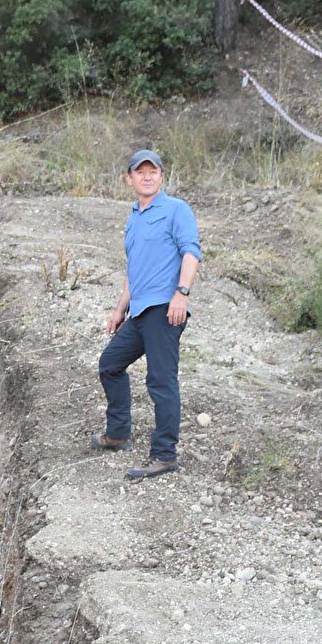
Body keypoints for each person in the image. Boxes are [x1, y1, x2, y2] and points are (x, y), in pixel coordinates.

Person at [92, 150, 202, 481]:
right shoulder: (134, 218)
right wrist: (119, 310)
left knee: (161, 380)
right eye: (140, 172)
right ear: (129, 178)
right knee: (110, 365)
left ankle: (165, 454)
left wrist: (181, 294)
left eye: (153, 170)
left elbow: (191, 252)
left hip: (164, 310)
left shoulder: (175, 209)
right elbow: (134, 270)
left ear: (161, 176)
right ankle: (118, 434)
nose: (147, 176)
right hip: (139, 311)